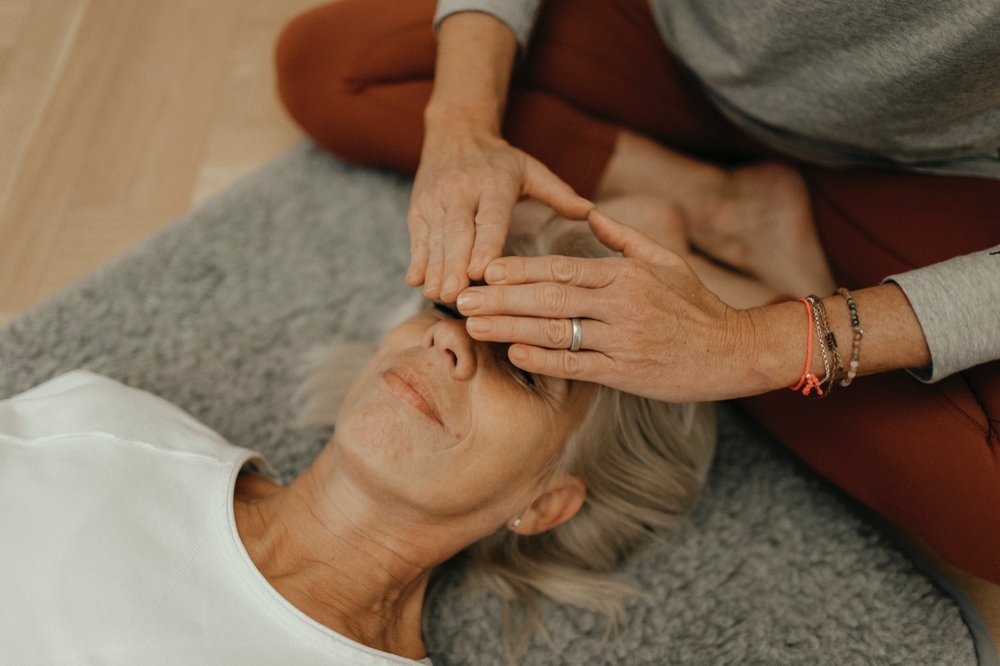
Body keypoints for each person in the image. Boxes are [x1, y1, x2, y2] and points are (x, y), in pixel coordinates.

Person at [273, 0, 1000, 620]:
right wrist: (461, 123)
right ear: (547, 501)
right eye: (454, 308)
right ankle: (720, 211)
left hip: (944, 169)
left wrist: (760, 346)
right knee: (331, 68)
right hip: (679, 55)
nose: (443, 345)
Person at [0, 215, 722, 664]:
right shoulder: (111, 427)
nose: (447, 338)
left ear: (545, 503)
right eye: (453, 309)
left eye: (523, 368)